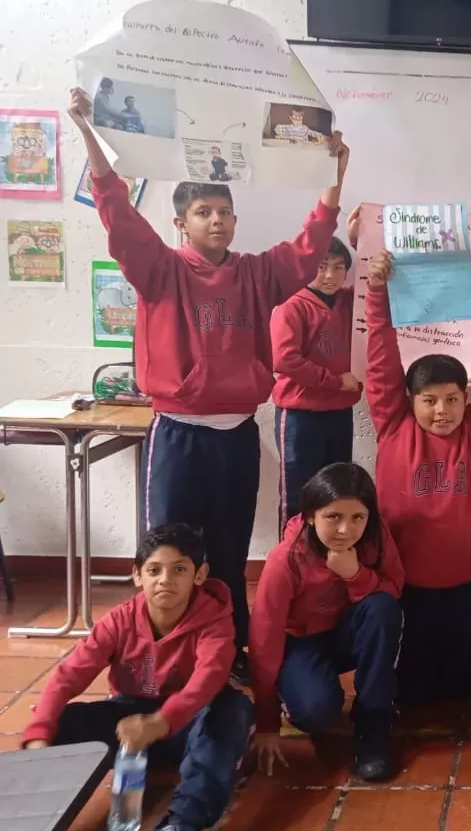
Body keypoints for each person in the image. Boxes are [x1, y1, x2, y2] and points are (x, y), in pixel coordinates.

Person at [66, 86, 350, 674]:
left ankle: (230, 649)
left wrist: (334, 177)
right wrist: (89, 131)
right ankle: (161, 652)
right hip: (177, 434)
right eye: (203, 212)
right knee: (168, 550)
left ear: (235, 219)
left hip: (237, 434)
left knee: (227, 550)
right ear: (181, 223)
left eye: (223, 211)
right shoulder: (159, 269)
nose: (216, 220)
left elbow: (308, 247)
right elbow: (118, 213)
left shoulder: (257, 273)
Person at [22, 524, 253, 831]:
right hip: (131, 729)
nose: (165, 580)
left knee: (232, 709)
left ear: (200, 575)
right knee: (61, 721)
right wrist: (39, 735)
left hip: (188, 726)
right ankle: (27, 812)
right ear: (137, 576)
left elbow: (207, 680)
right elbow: (68, 675)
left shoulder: (215, 620)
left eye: (179, 570)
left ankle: (179, 827)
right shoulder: (119, 621)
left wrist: (160, 722)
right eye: (154, 570)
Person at [364, 250, 471, 704]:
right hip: (406, 588)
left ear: (466, 398)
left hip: (465, 589)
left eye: (452, 399)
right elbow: (380, 362)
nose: (442, 411)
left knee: (464, 689)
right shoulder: (393, 426)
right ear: (409, 400)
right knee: (410, 692)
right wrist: (377, 294)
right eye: (429, 401)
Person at [250, 463, 404, 782]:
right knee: (315, 712)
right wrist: (266, 721)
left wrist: (355, 575)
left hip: (348, 632)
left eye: (358, 517)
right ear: (310, 516)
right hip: (302, 642)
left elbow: (394, 586)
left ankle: (373, 727)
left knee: (383, 608)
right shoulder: (285, 560)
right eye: (333, 517)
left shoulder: (376, 537)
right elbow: (264, 640)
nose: (346, 530)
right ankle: (296, 691)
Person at [271, 236, 361, 528]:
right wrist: (335, 382)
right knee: (299, 495)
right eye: (321, 267)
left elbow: (377, 284)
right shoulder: (292, 305)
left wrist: (361, 238)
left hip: (339, 412)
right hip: (300, 416)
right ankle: (293, 553)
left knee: (336, 491)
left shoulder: (351, 301)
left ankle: (330, 553)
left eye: (338, 267)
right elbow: (285, 360)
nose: (330, 275)